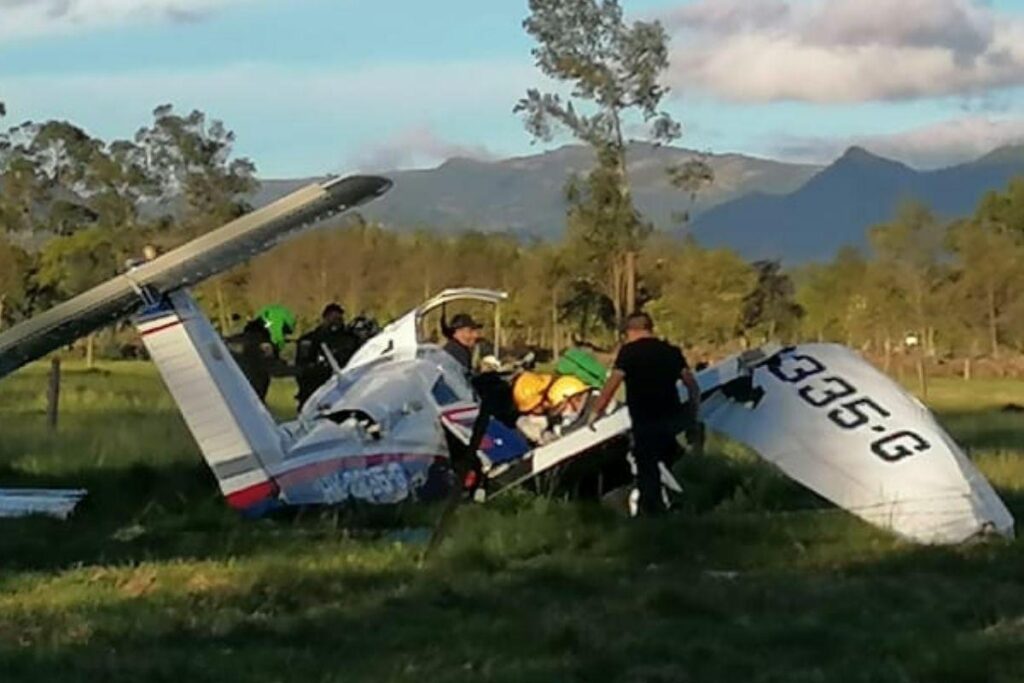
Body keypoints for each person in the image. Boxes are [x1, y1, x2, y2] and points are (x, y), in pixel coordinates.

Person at [588, 312, 700, 516]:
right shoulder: (670, 351)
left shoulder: (629, 352)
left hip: (645, 417)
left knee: (647, 467)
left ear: (631, 332)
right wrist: (692, 414)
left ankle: (652, 512)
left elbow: (612, 385)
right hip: (671, 416)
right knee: (667, 457)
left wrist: (595, 412)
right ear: (650, 328)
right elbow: (691, 385)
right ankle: (678, 500)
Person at [294, 303, 361, 408]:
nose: (336, 322)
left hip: (342, 390)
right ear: (325, 318)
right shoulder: (311, 339)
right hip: (314, 389)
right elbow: (301, 367)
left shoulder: (350, 339)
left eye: (339, 318)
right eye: (332, 318)